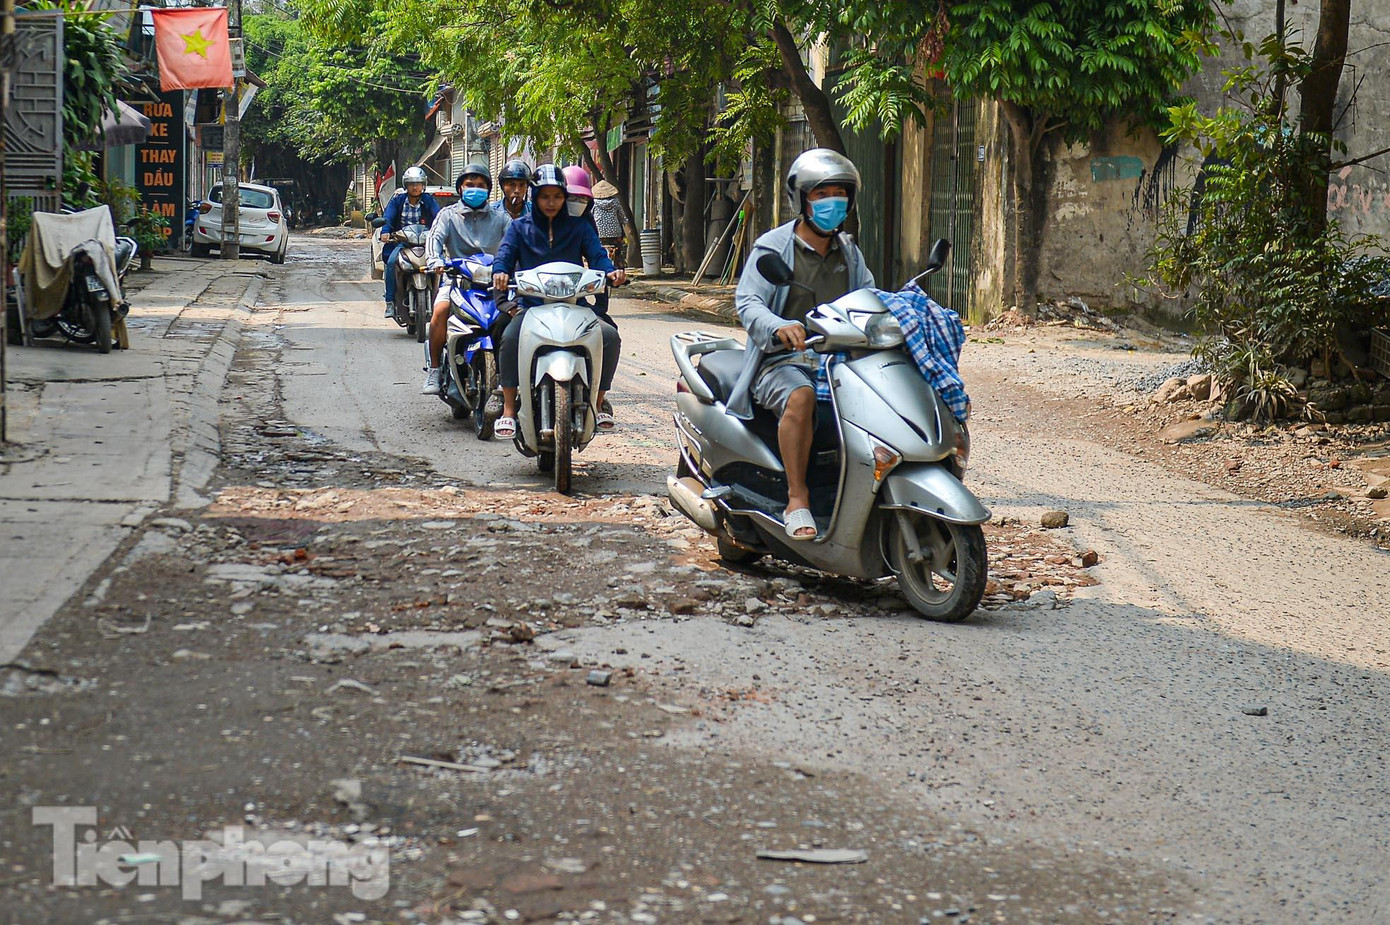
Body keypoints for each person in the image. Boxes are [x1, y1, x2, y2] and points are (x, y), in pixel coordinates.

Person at [730, 148, 874, 540]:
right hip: (779, 362)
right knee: (801, 397)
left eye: (839, 193)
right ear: (802, 199)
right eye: (821, 193)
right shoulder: (774, 247)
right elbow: (748, 302)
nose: (832, 202)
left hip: (839, 359)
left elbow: (869, 296)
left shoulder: (848, 251)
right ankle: (798, 498)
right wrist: (778, 326)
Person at [490, 164, 626, 439]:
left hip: (575, 305)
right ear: (535, 198)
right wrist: (501, 272)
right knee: (508, 336)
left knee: (609, 336)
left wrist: (611, 271)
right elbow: (504, 255)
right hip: (531, 307)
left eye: (557, 196)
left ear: (565, 197)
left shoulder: (579, 227)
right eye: (544, 196)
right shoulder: (519, 228)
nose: (551, 203)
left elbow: (598, 255)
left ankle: (598, 405)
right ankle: (507, 409)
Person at [419, 163, 513, 395]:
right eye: (470, 185)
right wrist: (435, 261)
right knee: (440, 311)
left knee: (515, 316)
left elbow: (515, 243)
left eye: (481, 186)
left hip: (495, 284)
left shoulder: (501, 218)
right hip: (457, 281)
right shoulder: (447, 215)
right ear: (461, 188)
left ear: (489, 190)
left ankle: (511, 373)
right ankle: (434, 368)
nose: (475, 189)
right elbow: (434, 241)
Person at [379, 166, 440, 318]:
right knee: (392, 262)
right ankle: (390, 302)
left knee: (442, 265)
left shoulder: (428, 201)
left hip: (426, 245)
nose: (415, 187)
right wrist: (386, 231)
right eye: (411, 183)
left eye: (418, 183)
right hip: (403, 244)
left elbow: (439, 218)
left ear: (423, 185)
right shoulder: (397, 201)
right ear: (405, 185)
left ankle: (443, 301)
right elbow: (388, 217)